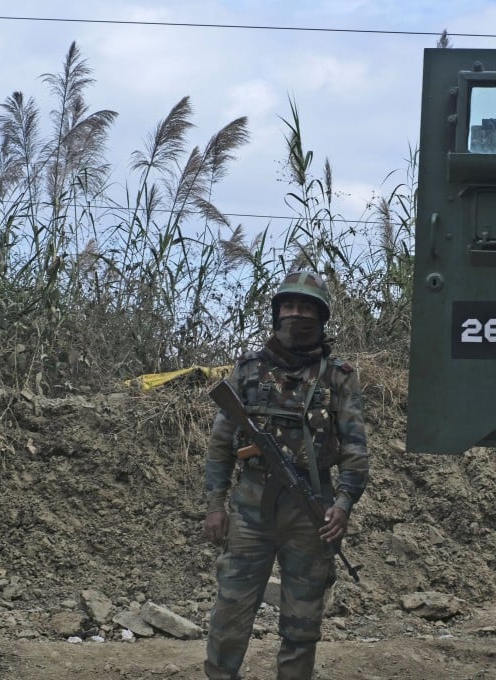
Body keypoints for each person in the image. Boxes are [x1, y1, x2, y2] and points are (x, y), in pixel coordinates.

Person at [202, 270, 370, 680]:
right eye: (289, 307)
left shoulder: (339, 377)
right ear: (277, 314)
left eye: (307, 307)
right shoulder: (248, 370)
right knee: (230, 613)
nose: (296, 315)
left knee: (302, 624)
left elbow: (355, 449)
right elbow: (221, 444)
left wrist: (343, 505)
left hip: (310, 511)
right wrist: (214, 506)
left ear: (321, 316)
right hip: (250, 508)